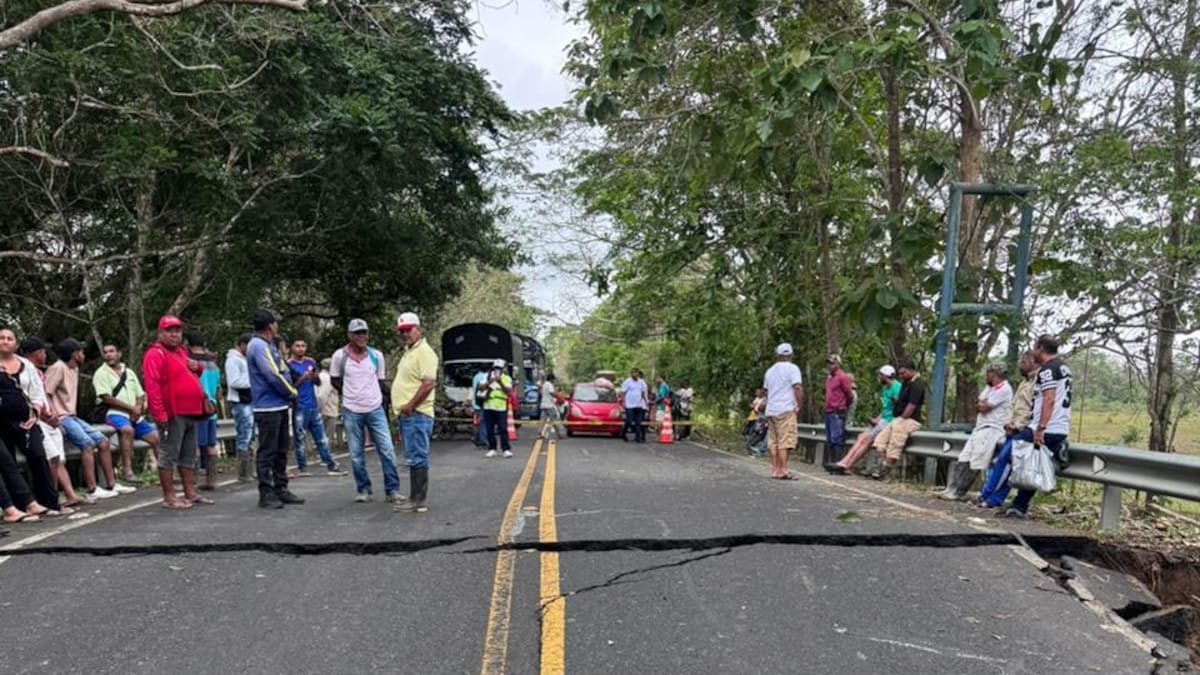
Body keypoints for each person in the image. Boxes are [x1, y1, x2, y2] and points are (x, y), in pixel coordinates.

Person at [994, 336, 1072, 518]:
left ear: (1040, 349)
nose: (1033, 351)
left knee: (1012, 452)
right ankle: (1019, 506)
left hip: (1046, 427)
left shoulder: (1047, 370)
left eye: (1034, 348)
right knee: (1032, 465)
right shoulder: (1063, 367)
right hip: (1058, 426)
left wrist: (1040, 428)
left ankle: (998, 498)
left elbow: (1050, 398)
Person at [142, 315, 214, 510]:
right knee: (169, 454)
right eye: (169, 330)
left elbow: (192, 372)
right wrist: (159, 414)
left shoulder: (181, 352)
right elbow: (152, 385)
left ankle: (189, 492)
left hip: (191, 411)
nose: (174, 334)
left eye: (177, 330)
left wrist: (197, 368)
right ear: (161, 333)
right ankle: (169, 496)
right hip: (173, 412)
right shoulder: (155, 354)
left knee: (188, 454)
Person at [45, 339, 130, 499]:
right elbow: (47, 393)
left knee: (104, 442)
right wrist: (54, 416)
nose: (83, 355)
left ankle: (111, 484)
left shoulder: (74, 369)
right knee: (87, 444)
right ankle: (92, 489)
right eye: (81, 352)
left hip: (73, 416)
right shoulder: (57, 368)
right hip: (63, 417)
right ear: (75, 354)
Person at [0, 328, 69, 519]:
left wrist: (37, 410)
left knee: (39, 455)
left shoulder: (26, 366)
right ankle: (20, 505)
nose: (5, 341)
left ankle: (48, 501)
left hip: (28, 419)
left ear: (15, 344)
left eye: (9, 338)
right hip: (3, 421)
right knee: (9, 462)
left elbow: (38, 391)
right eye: (1, 338)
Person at [330, 318, 401, 503]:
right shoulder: (339, 356)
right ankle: (364, 489)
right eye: (357, 333)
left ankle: (392, 490)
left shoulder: (376, 355)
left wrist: (394, 398)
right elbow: (335, 380)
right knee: (356, 454)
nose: (361, 336)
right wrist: (349, 394)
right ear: (349, 335)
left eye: (364, 333)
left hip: (375, 408)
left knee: (387, 450)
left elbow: (380, 381)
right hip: (352, 410)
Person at [19, 338, 88, 506]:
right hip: (39, 420)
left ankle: (68, 494)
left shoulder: (39, 373)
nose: (44, 355)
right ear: (33, 354)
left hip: (51, 418)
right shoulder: (23, 372)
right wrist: (45, 415)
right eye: (42, 352)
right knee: (52, 459)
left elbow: (44, 395)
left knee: (58, 460)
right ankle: (50, 499)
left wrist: (53, 413)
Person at [247, 309, 304, 509]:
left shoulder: (269, 345)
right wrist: (292, 392)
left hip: (278, 405)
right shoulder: (258, 346)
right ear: (270, 325)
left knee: (281, 450)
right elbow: (273, 375)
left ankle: (281, 488)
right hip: (267, 407)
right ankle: (266, 492)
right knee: (268, 451)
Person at [937, 363, 1014, 500]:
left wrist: (981, 404)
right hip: (979, 428)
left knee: (976, 461)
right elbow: (978, 403)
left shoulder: (1004, 389)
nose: (985, 376)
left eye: (988, 373)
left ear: (994, 374)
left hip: (992, 429)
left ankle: (959, 492)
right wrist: (981, 404)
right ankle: (951, 488)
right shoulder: (989, 388)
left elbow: (984, 407)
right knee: (963, 458)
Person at [976, 351, 1039, 509]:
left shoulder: (1039, 381)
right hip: (1012, 427)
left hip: (1024, 428)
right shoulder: (1025, 382)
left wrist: (1019, 424)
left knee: (1006, 460)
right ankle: (988, 495)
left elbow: (1033, 408)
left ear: (1032, 362)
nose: (1020, 366)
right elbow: (1014, 405)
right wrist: (1010, 421)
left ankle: (992, 497)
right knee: (1001, 462)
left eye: (1023, 363)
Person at [390, 312, 438, 512]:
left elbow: (428, 384)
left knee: (418, 456)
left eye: (408, 330)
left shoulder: (424, 352)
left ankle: (418, 499)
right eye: (402, 331)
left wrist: (410, 405)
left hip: (417, 413)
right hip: (408, 414)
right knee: (413, 456)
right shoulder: (409, 351)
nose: (405, 334)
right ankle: (415, 498)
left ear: (418, 328)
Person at [95, 342, 160, 485]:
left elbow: (140, 393)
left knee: (155, 437)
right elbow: (106, 397)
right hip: (114, 413)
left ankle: (165, 472)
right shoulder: (101, 373)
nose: (109, 355)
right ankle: (127, 471)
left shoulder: (129, 372)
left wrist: (137, 407)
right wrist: (131, 409)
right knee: (127, 430)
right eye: (106, 352)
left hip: (135, 414)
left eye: (112, 351)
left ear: (119, 354)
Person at [825, 365, 900, 475]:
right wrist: (876, 419)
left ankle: (847, 465)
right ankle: (843, 462)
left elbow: (898, 408)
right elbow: (886, 408)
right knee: (861, 437)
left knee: (867, 439)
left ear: (885, 376)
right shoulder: (885, 388)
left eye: (880, 375)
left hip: (890, 421)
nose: (879, 377)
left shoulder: (897, 387)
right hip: (883, 419)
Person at [287, 338, 343, 477]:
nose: (301, 349)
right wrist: (303, 377)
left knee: (321, 438)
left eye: (303, 346)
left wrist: (315, 376)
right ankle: (302, 468)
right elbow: (289, 387)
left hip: (313, 404)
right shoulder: (288, 365)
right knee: (300, 438)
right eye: (297, 346)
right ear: (292, 348)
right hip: (299, 405)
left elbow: (317, 383)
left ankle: (330, 464)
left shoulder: (310, 362)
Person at [869, 360, 927, 481]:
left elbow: (912, 405)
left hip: (909, 419)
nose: (900, 376)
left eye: (903, 373)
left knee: (896, 439)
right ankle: (880, 464)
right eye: (899, 374)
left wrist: (902, 418)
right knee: (881, 439)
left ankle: (886, 468)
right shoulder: (905, 383)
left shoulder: (918, 384)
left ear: (911, 370)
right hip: (897, 418)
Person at [186, 332, 222, 491]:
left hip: (196, 408)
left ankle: (192, 480)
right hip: (212, 408)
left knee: (194, 445)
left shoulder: (189, 363)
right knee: (210, 445)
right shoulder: (214, 365)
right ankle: (212, 480)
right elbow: (218, 390)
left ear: (188, 344)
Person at [764, 343, 804, 479]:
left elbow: (766, 391)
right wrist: (798, 404)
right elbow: (797, 387)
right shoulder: (793, 369)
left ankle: (775, 469)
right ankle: (783, 470)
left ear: (778, 355)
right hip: (786, 408)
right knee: (785, 440)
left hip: (772, 409)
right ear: (791, 355)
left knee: (773, 441)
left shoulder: (769, 371)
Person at [224, 334, 255, 482]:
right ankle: (243, 473)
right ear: (242, 345)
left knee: (251, 436)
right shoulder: (233, 360)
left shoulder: (245, 360)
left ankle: (250, 470)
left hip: (249, 401)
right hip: (240, 402)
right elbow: (234, 382)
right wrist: (252, 383)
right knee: (244, 436)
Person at [478, 358, 514, 458]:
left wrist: (500, 382)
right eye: (496, 368)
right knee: (490, 429)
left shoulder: (507, 378)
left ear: (503, 369)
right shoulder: (486, 376)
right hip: (488, 406)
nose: (497, 370)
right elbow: (480, 388)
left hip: (501, 407)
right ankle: (492, 448)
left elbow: (508, 391)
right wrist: (490, 381)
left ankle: (506, 449)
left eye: (500, 368)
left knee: (503, 429)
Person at [822, 354, 854, 465]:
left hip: (837, 411)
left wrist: (843, 406)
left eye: (832, 363)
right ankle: (831, 462)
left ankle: (837, 462)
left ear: (838, 364)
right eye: (828, 363)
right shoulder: (829, 378)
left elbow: (849, 394)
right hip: (828, 411)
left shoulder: (842, 377)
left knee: (836, 437)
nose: (829, 366)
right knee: (830, 438)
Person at [316, 358, 342, 451]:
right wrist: (320, 408)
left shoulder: (319, 376)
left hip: (323, 409)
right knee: (328, 436)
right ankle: (326, 456)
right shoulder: (328, 379)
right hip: (328, 410)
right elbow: (322, 395)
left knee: (322, 435)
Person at [619, 369, 649, 443]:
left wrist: (645, 401)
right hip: (629, 405)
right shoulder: (627, 382)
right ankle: (623, 433)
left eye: (637, 373)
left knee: (638, 422)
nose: (636, 375)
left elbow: (642, 393)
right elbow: (623, 393)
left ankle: (638, 438)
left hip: (638, 405)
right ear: (631, 374)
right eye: (634, 373)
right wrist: (623, 402)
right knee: (629, 420)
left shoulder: (641, 382)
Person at [539, 374, 566, 440]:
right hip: (549, 405)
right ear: (551, 379)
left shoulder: (544, 384)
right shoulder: (549, 384)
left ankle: (540, 433)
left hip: (543, 405)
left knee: (542, 421)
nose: (554, 381)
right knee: (555, 419)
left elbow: (541, 393)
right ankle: (561, 434)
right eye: (553, 379)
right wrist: (558, 396)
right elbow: (551, 392)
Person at [744, 388, 768, 457]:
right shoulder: (764, 399)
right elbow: (760, 408)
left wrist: (757, 407)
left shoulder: (768, 399)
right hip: (761, 418)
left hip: (765, 418)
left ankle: (759, 449)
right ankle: (750, 446)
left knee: (761, 434)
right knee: (758, 433)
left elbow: (761, 408)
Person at [470, 367, 490, 448]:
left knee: (479, 422)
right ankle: (482, 439)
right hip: (482, 402)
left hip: (476, 402)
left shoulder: (475, 377)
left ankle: (477, 438)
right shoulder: (485, 377)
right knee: (483, 422)